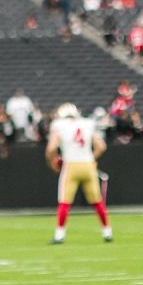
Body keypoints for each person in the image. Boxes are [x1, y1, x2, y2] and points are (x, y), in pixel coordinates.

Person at [45, 103, 112, 244]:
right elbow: (101, 146)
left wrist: (52, 162)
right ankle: (107, 232)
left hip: (71, 165)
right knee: (97, 201)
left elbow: (51, 148)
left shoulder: (59, 125)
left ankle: (59, 235)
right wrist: (92, 159)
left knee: (64, 202)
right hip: (88, 165)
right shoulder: (86, 123)